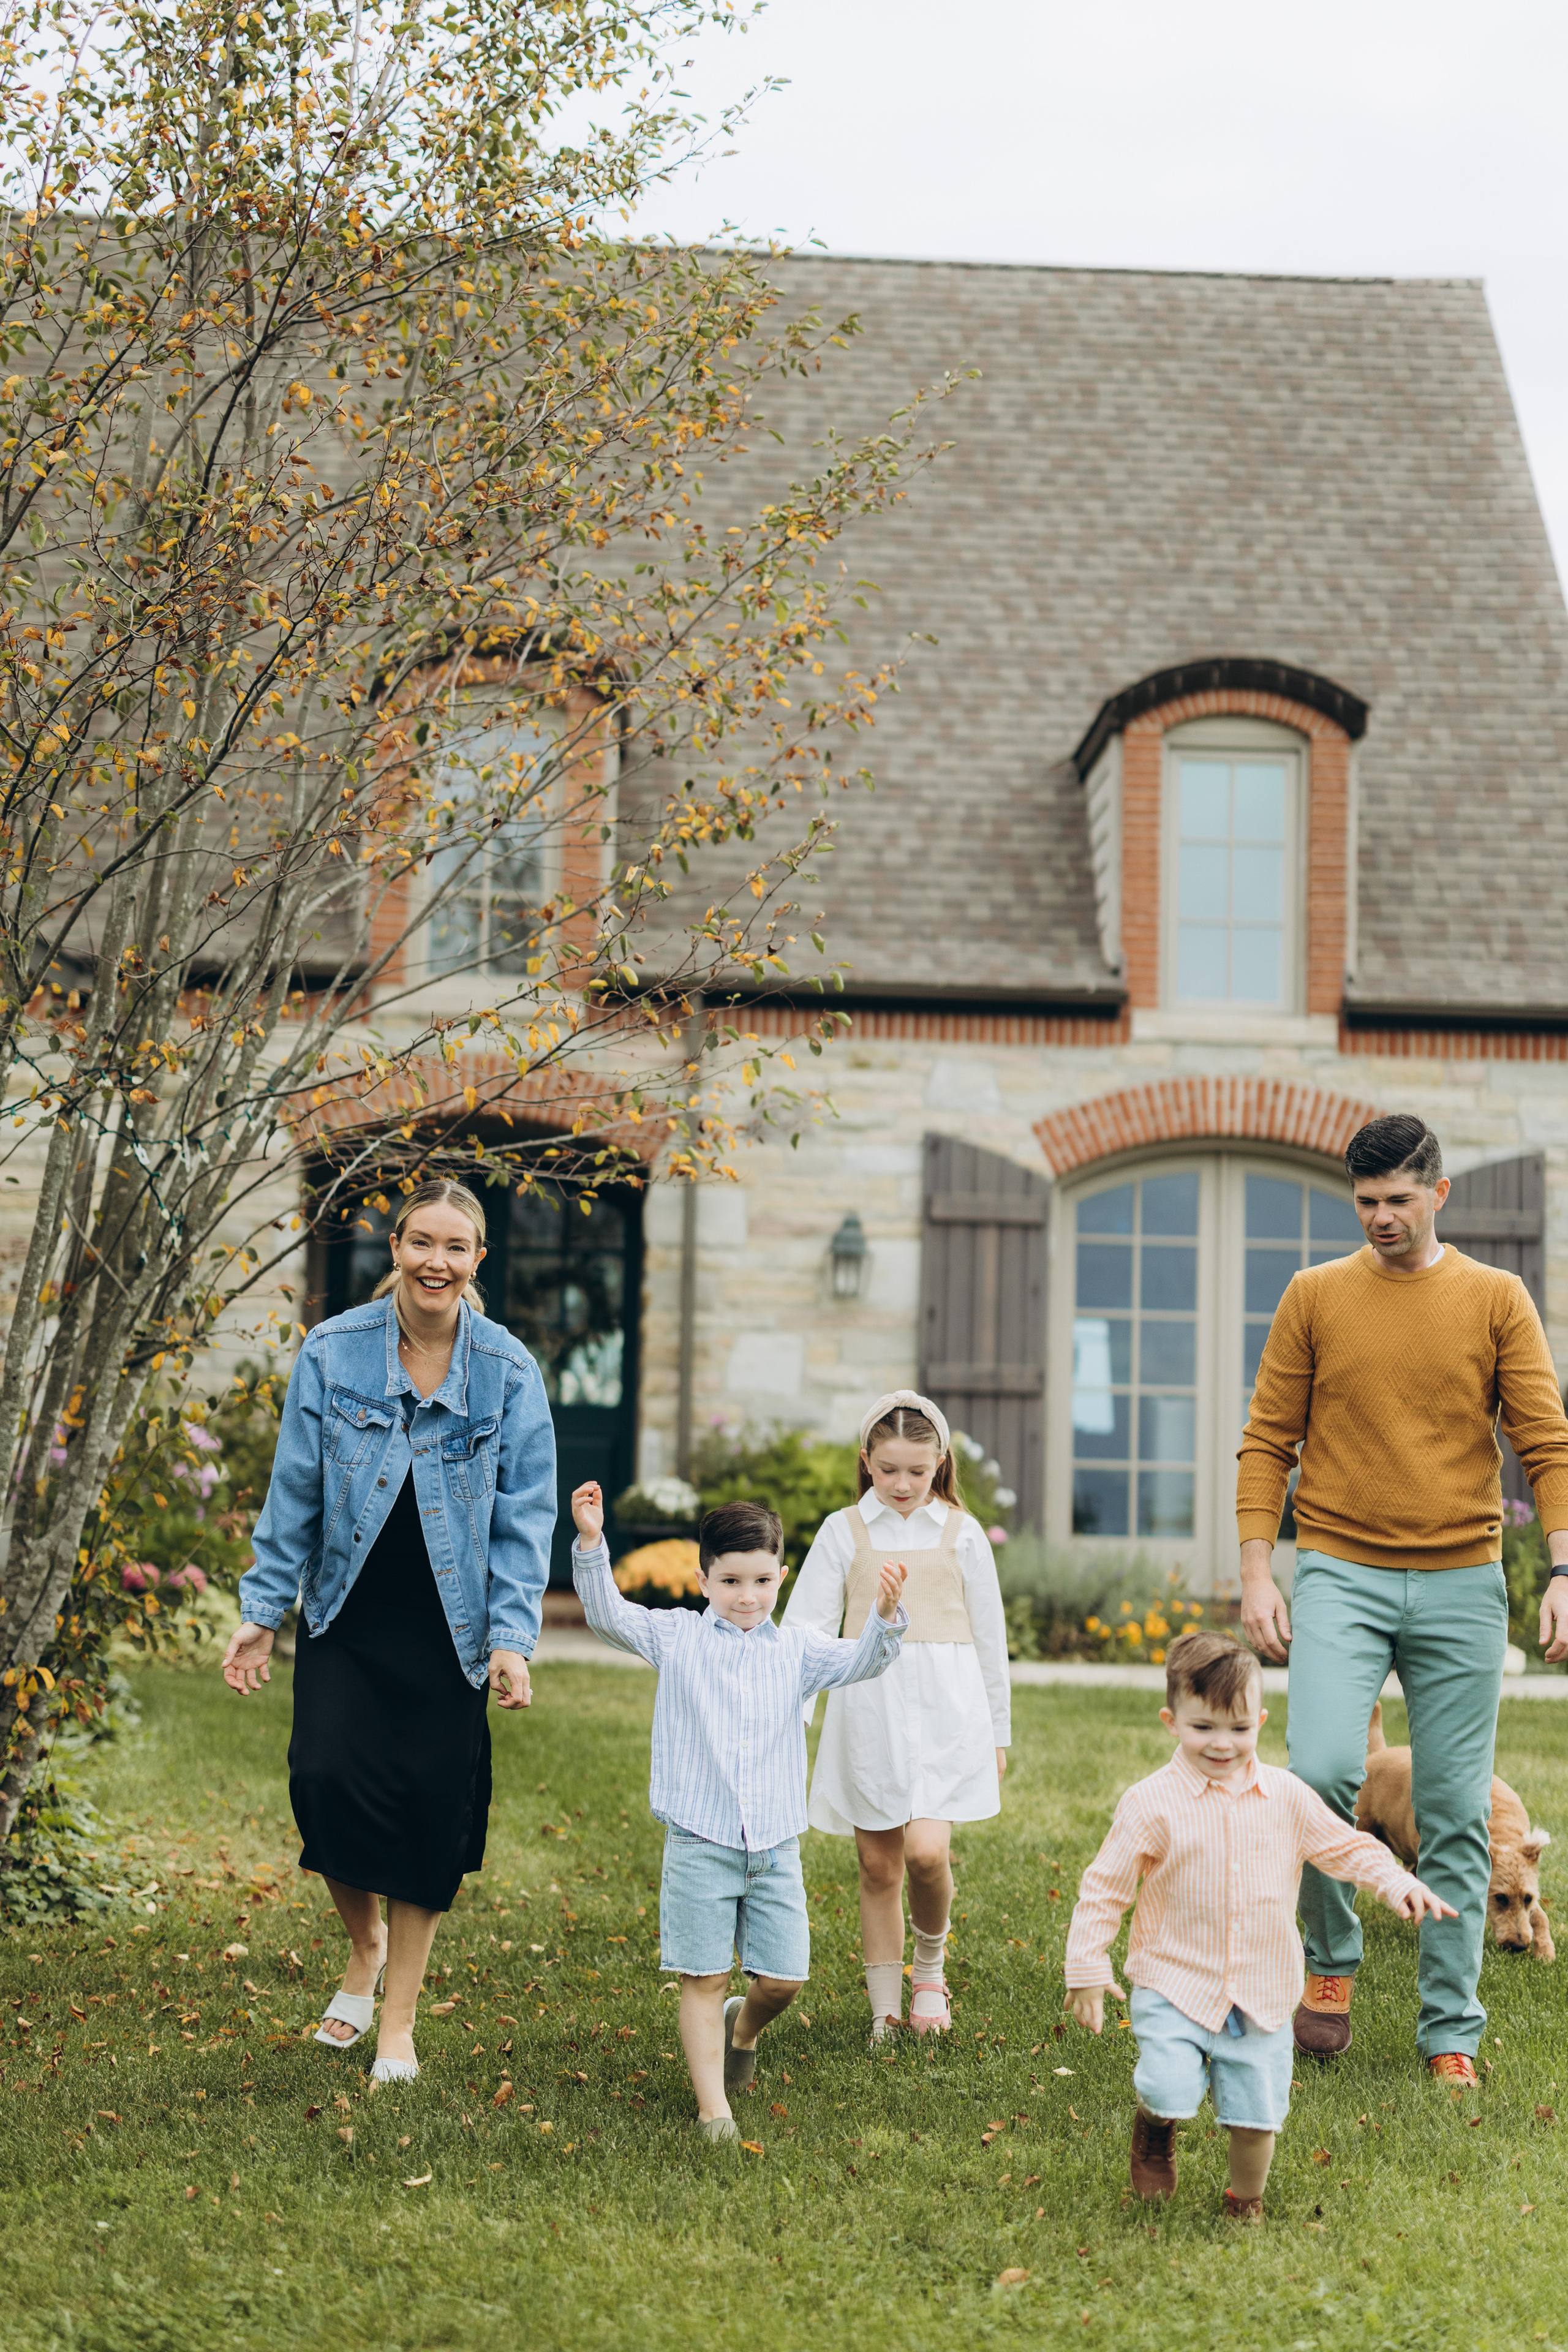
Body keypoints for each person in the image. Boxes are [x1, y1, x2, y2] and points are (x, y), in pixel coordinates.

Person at [1238, 1113, 1568, 2082]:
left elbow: (1546, 1443)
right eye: (1366, 1202)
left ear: (1438, 1194)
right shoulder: (1316, 1296)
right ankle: (1330, 1969)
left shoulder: (1497, 1299)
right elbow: (1268, 1440)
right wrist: (1260, 1570)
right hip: (1340, 1568)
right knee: (1326, 1773)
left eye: (1398, 1200)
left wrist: (1564, 1571)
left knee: (1460, 1809)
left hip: (1464, 1578)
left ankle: (1449, 2029)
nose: (1382, 1218)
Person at [221, 1178, 556, 2083]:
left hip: (454, 1624)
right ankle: (363, 1945)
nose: (436, 1262)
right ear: (395, 1248)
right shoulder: (334, 1352)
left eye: (456, 1248)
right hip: (349, 1608)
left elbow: (527, 1518)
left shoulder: (508, 1370)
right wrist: (262, 1613)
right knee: (322, 1780)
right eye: (421, 1243)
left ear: (477, 1261)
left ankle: (397, 2023)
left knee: (427, 1815)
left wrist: (513, 1638)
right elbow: (294, 1488)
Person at [1065, 1629, 1453, 2222]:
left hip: (1263, 1992)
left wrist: (1395, 1879)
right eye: (1204, 1728)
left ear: (1260, 1722)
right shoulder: (1150, 1803)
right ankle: (1155, 2124)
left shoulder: (1286, 1797)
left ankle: (1244, 2202)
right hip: (1174, 1983)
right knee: (1169, 2083)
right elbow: (1105, 1888)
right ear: (1171, 1721)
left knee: (1255, 2118)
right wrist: (1087, 1967)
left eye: (1238, 1729)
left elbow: (1344, 1847)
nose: (1222, 1744)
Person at [570, 1481, 908, 2141]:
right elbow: (609, 1614)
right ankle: (712, 2110)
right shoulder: (676, 1638)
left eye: (759, 1580)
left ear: (780, 1576)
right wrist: (590, 1541)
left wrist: (885, 1616)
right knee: (701, 1977)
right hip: (700, 1840)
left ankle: (743, 2027)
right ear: (702, 1580)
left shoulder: (798, 1652)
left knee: (784, 1979)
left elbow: (865, 1662)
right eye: (729, 1581)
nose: (746, 1596)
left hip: (775, 1844)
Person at [781, 1390, 1009, 2043]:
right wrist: (792, 1718)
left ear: (940, 1463)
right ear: (866, 1463)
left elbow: (991, 1640)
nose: (902, 1484)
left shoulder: (962, 1535)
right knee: (879, 1866)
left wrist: (998, 1729)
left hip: (947, 1715)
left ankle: (930, 1970)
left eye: (917, 1470)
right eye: (888, 1471)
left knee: (927, 1853)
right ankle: (884, 2007)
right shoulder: (841, 1533)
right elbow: (806, 1635)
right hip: (868, 1716)